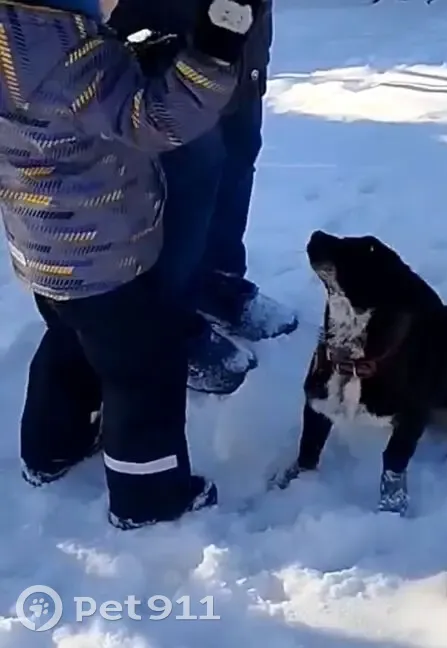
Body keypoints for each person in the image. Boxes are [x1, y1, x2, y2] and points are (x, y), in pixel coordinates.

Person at [0, 0, 264, 528]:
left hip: (41, 252)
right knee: (143, 375)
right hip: (105, 255)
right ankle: (148, 495)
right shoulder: (70, 55)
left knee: (73, 344)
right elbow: (158, 120)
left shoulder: (17, 39)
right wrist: (212, 53)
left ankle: (48, 450)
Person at [110, 0, 298, 396]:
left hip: (242, 39)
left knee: (236, 160)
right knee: (186, 192)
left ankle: (217, 283)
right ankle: (170, 325)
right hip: (167, 49)